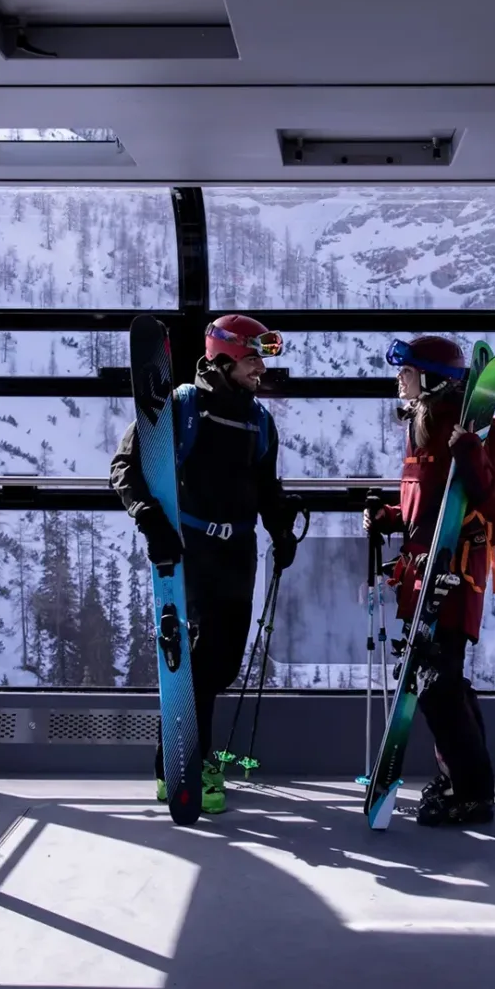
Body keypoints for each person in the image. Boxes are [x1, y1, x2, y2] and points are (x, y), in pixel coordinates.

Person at [111, 313, 299, 814]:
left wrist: (281, 528)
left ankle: (181, 764)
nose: (261, 370)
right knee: (196, 661)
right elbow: (125, 467)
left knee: (221, 664)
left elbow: (265, 486)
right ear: (226, 358)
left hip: (238, 552)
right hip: (189, 550)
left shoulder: (260, 421)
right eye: (253, 359)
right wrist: (149, 519)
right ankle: (183, 766)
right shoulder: (181, 407)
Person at [363, 335, 495, 826]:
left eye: (408, 371)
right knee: (443, 684)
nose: (400, 379)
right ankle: (462, 779)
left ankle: (472, 793)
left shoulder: (456, 424)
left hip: (452, 575)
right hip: (421, 575)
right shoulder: (421, 425)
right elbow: (428, 506)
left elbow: (478, 494)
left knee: (438, 686)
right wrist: (389, 516)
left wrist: (469, 450)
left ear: (433, 378)